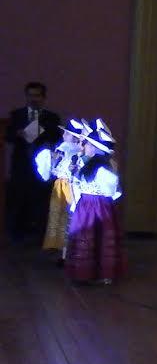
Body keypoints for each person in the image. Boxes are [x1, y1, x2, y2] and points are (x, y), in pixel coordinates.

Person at [66, 120, 125, 285]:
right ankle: (85, 272)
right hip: (86, 206)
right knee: (86, 236)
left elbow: (111, 190)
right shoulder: (87, 165)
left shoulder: (103, 169)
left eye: (88, 144)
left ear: (95, 148)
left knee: (98, 236)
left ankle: (100, 272)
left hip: (97, 207)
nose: (84, 146)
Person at [6, 82, 62, 240]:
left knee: (41, 201)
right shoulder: (17, 115)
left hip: (42, 166)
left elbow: (57, 138)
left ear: (43, 97)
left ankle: (40, 235)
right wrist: (18, 134)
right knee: (19, 199)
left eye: (37, 95)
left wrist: (42, 131)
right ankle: (18, 235)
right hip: (21, 164)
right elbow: (8, 136)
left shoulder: (51, 117)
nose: (33, 99)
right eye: (30, 95)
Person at [35, 119, 84, 264]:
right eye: (64, 133)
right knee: (60, 216)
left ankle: (68, 252)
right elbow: (54, 168)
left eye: (67, 134)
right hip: (60, 186)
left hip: (70, 187)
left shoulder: (74, 151)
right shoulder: (64, 149)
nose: (64, 135)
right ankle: (62, 249)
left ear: (75, 137)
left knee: (69, 218)